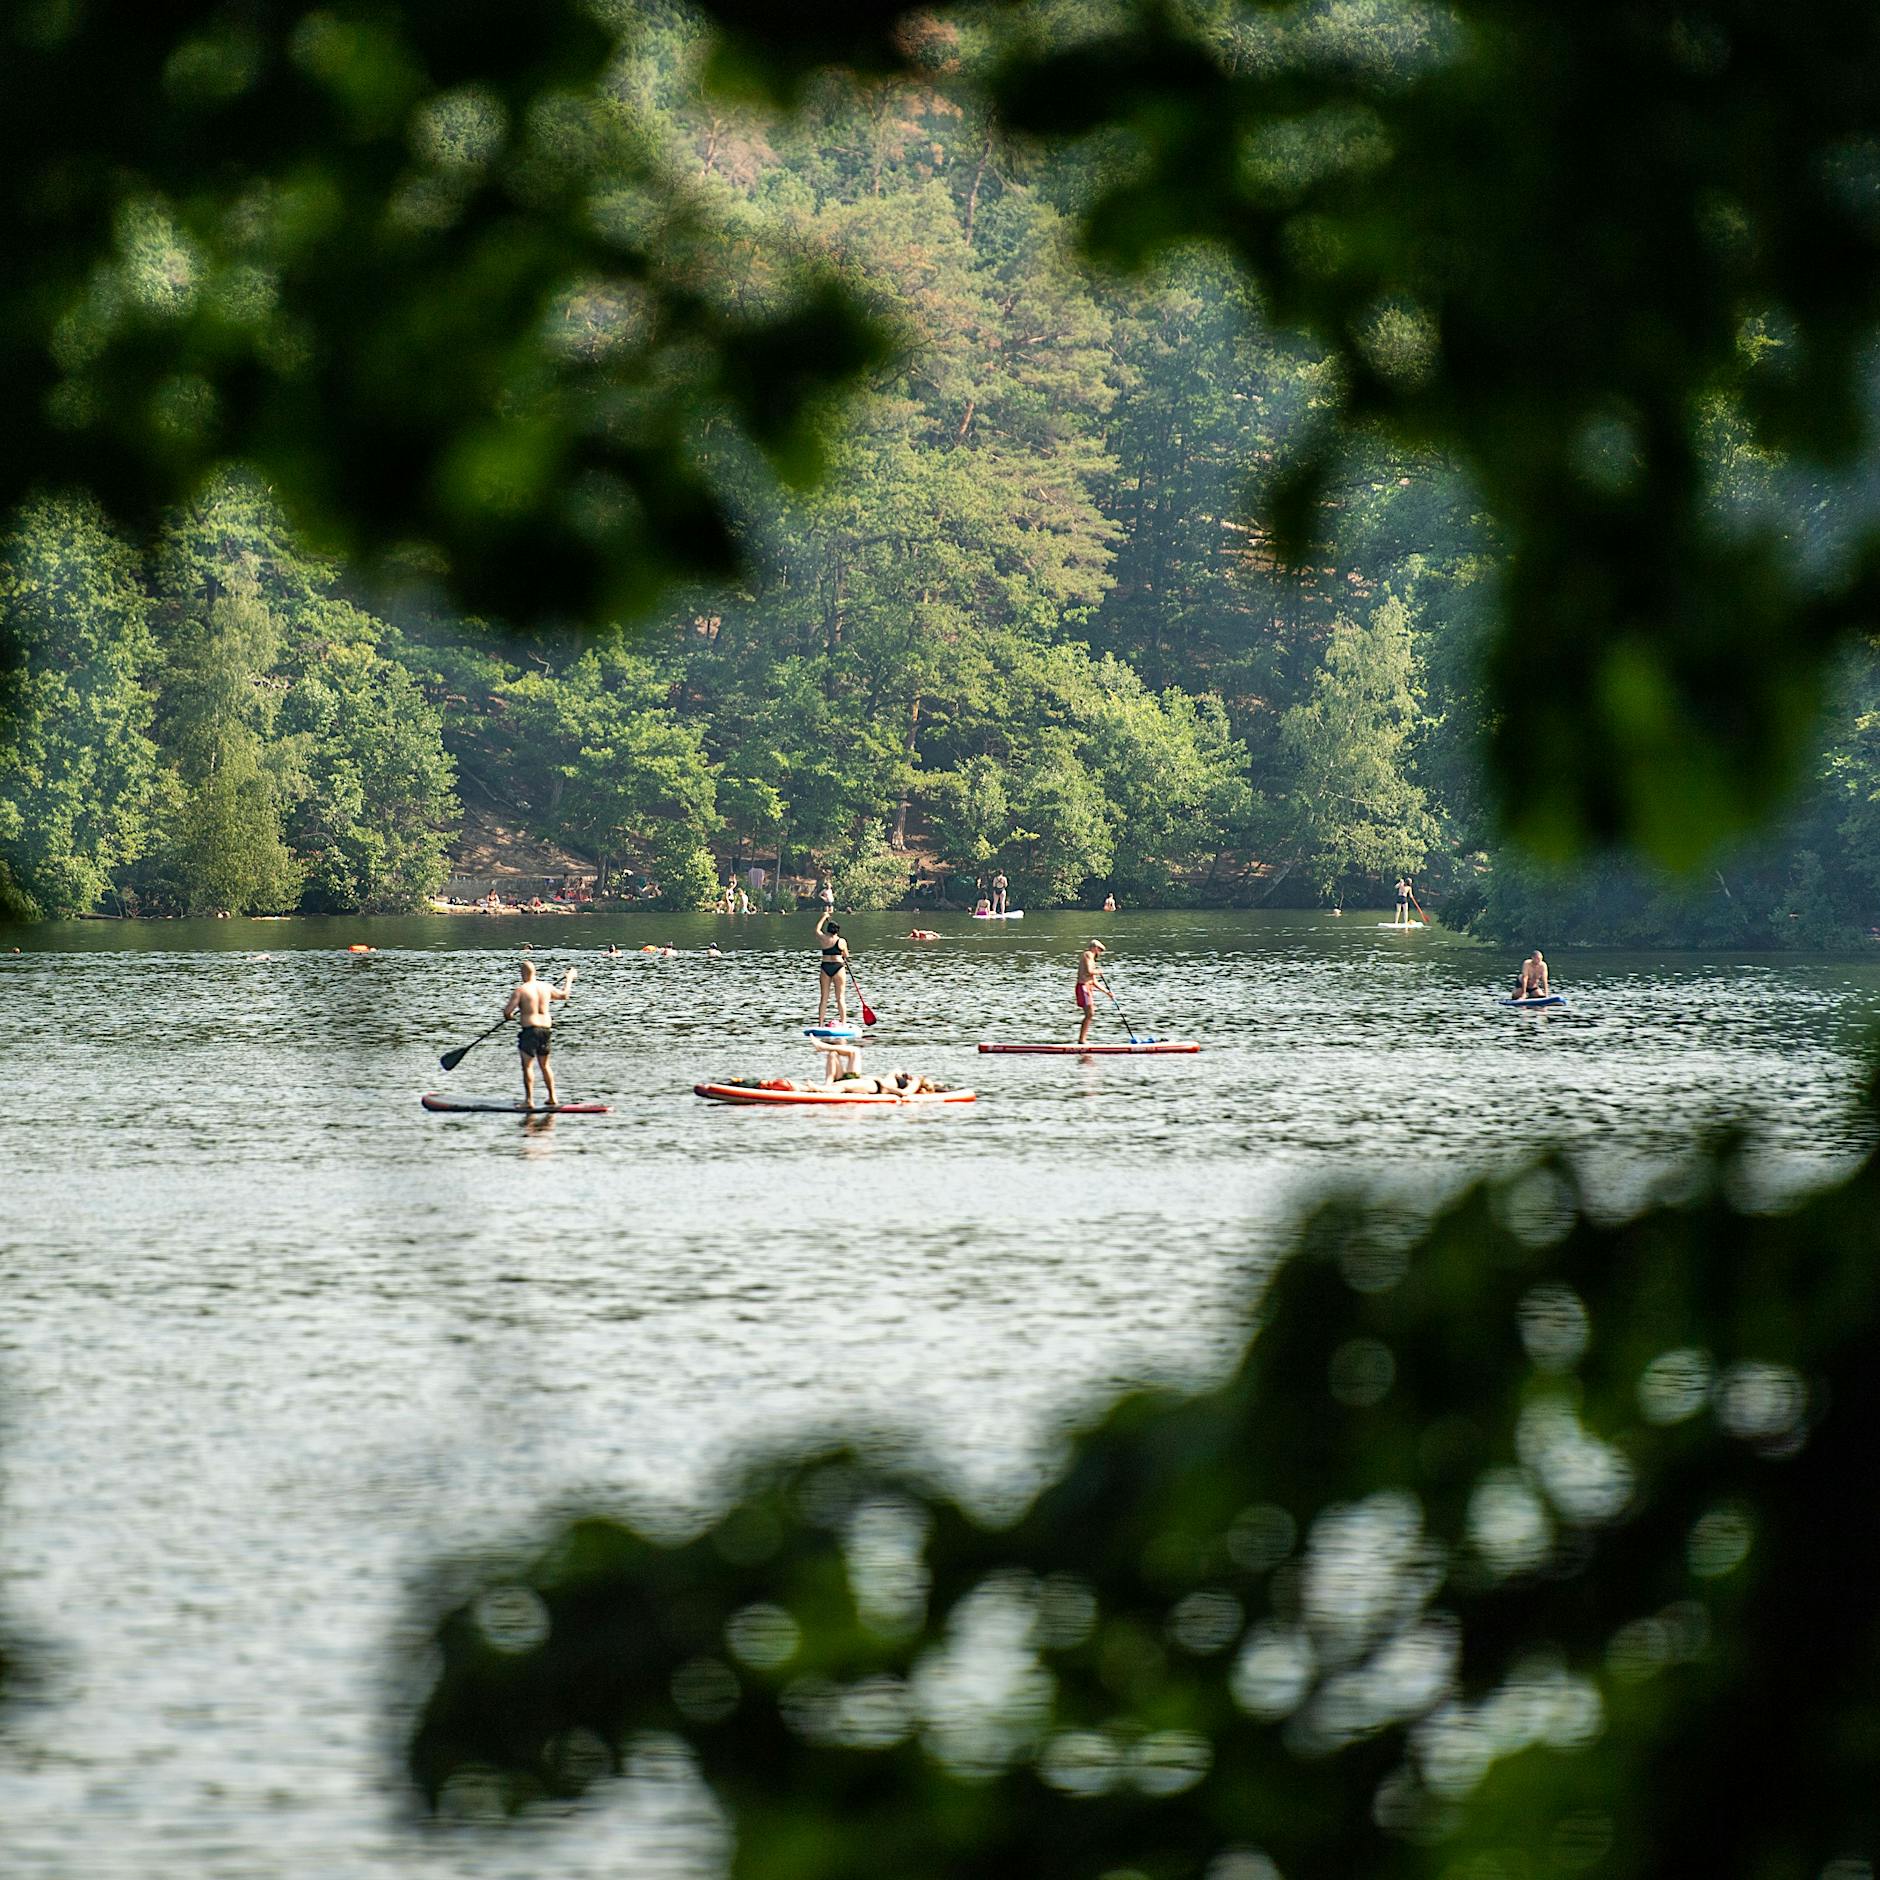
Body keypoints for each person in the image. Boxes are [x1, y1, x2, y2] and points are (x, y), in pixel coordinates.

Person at [502, 959, 575, 1109]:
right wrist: (569, 979)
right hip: (546, 1030)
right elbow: (564, 995)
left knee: (527, 1066)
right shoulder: (546, 987)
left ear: (522, 974)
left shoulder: (521, 990)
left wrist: (510, 1016)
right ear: (535, 972)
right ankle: (552, 1097)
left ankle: (529, 1100)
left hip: (530, 1031)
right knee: (545, 1065)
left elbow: (508, 1012)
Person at [815, 908, 850, 1025]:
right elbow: (846, 955)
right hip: (838, 967)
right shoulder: (842, 941)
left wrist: (824, 917)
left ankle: (820, 1023)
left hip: (825, 968)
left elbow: (817, 930)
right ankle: (843, 1023)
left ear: (828, 930)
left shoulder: (823, 938)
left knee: (824, 998)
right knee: (840, 998)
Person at [1075, 939, 1112, 1044]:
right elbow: (1089, 971)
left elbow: (1093, 981)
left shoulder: (1092, 960)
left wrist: (1107, 992)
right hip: (1083, 987)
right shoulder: (1088, 954)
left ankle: (1082, 1039)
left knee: (1090, 1014)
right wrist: (1098, 971)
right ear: (1095, 948)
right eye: (1099, 950)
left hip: (1088, 987)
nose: (1099, 953)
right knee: (1090, 1013)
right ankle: (1082, 1040)